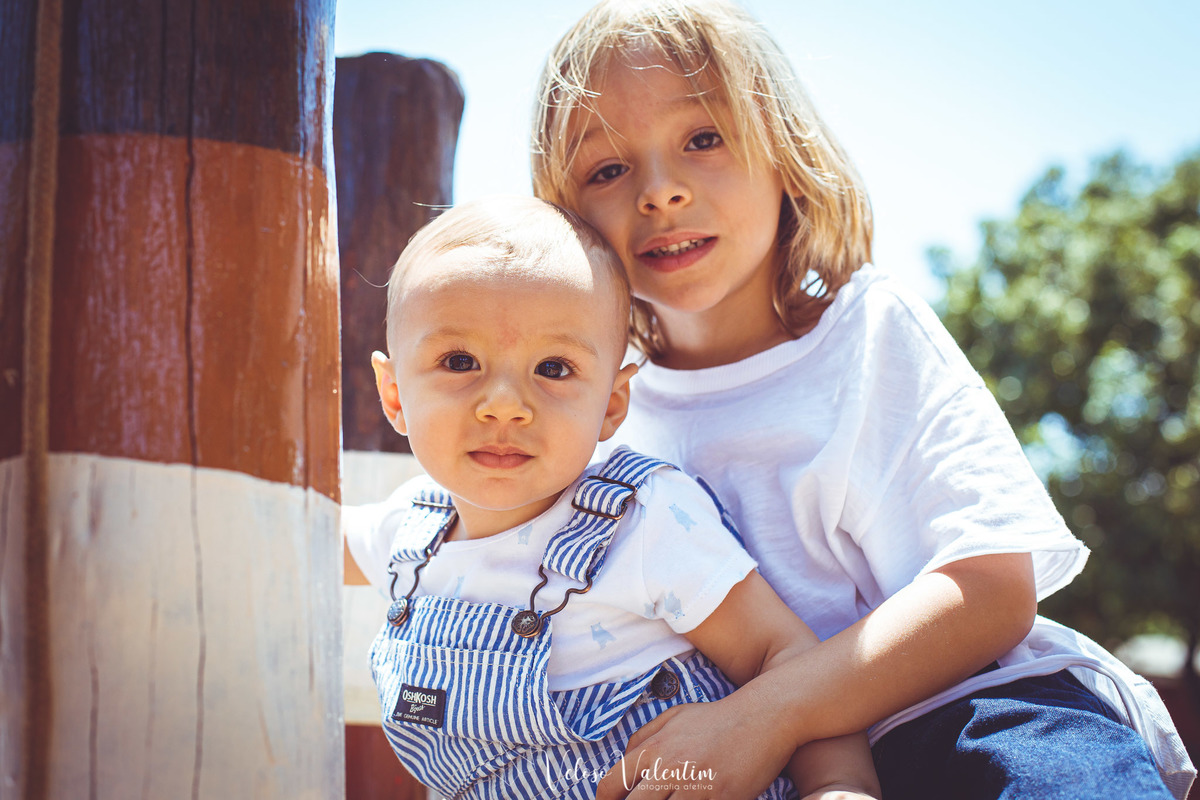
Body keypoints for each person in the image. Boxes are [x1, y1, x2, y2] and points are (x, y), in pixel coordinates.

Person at [528, 1, 1197, 799]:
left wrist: (764, 716)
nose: (660, 192)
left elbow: (990, 592)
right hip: (750, 762)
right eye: (607, 168)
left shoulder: (868, 330)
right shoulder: (593, 412)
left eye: (703, 139)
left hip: (971, 711)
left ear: (783, 152)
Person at [343, 195, 881, 800]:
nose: (504, 403)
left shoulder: (640, 520)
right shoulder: (407, 532)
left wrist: (838, 787)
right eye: (459, 360)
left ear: (613, 403)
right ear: (394, 395)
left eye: (553, 368)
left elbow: (780, 655)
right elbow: (300, 540)